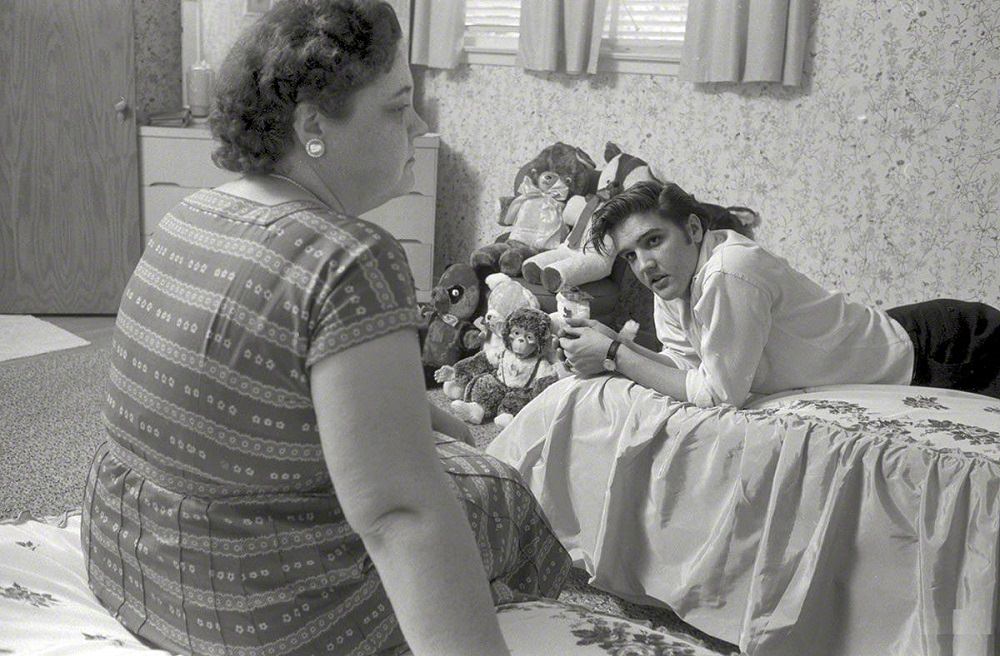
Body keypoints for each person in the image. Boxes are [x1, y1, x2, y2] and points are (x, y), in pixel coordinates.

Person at [81, 2, 570, 655]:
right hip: (254, 608)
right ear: (313, 125)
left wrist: (424, 417)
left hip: (127, 558)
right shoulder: (350, 258)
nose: (419, 124)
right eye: (398, 107)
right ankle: (560, 620)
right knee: (494, 487)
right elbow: (398, 515)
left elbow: (258, 390)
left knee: (452, 451)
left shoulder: (190, 214)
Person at [556, 179, 1000, 407]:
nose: (644, 265)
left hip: (948, 346)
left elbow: (719, 396)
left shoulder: (729, 270)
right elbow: (686, 369)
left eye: (653, 241)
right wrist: (610, 342)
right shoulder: (668, 279)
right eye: (630, 256)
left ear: (692, 229)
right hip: (897, 338)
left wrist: (615, 355)